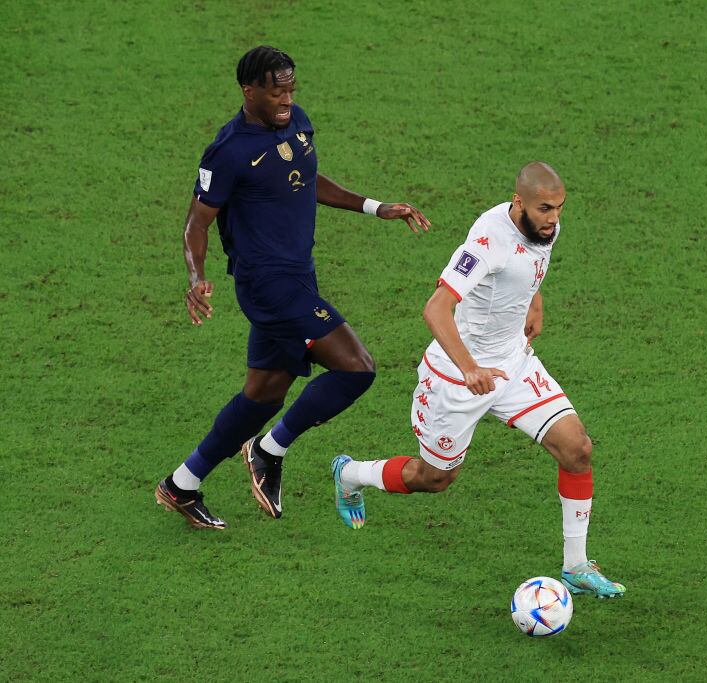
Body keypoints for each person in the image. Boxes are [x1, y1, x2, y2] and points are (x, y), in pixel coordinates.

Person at [154, 46, 430, 529]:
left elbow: (304, 179)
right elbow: (196, 223)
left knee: (261, 396)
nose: (286, 98)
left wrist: (374, 206)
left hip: (300, 276)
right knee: (357, 368)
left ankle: (181, 484)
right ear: (250, 90)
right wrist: (196, 278)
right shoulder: (228, 151)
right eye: (276, 90)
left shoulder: (297, 122)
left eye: (290, 88)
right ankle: (267, 449)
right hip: (268, 287)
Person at [330, 162, 625, 598]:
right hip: (456, 377)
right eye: (545, 208)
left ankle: (576, 566)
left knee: (577, 449)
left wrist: (533, 300)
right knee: (434, 478)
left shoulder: (542, 229)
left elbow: (531, 264)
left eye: (560, 209)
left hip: (514, 364)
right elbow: (436, 308)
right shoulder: (486, 243)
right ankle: (351, 474)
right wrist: (469, 368)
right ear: (518, 201)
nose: (554, 219)